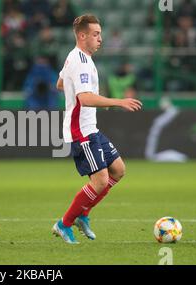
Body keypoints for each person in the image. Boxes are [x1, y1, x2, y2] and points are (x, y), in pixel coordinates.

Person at [53, 15, 142, 244]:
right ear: (82, 36)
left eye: (100, 34)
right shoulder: (80, 61)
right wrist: (119, 101)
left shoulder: (79, 58)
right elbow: (85, 98)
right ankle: (64, 223)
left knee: (118, 170)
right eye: (95, 34)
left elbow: (60, 84)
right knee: (100, 181)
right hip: (81, 131)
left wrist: (73, 87)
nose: (100, 39)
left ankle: (83, 213)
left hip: (90, 127)